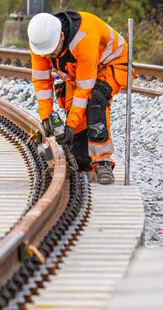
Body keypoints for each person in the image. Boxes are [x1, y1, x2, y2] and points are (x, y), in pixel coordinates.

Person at [27, 10, 127, 185]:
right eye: (46, 54)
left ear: (62, 36)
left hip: (113, 64)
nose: (49, 57)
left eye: (52, 52)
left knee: (95, 100)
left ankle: (103, 162)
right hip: (78, 71)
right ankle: (84, 162)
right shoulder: (41, 42)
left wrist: (70, 127)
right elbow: (41, 81)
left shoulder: (84, 39)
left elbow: (84, 89)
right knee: (69, 101)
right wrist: (46, 116)